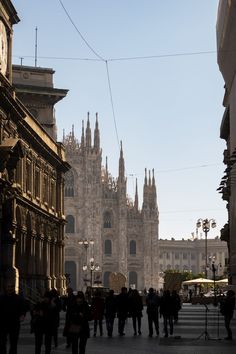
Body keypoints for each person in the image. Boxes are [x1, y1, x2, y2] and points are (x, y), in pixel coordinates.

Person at [0, 283, 28, 354]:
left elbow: (23, 309)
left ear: (13, 288)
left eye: (11, 287)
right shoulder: (2, 298)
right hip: (3, 323)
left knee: (13, 343)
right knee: (2, 343)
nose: (9, 289)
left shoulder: (19, 298)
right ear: (6, 288)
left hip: (14, 323)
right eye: (8, 287)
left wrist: (22, 315)